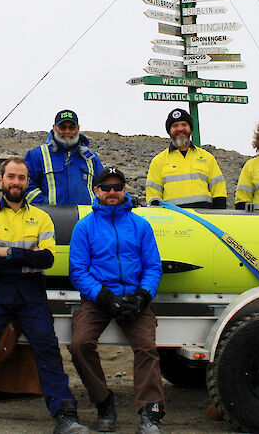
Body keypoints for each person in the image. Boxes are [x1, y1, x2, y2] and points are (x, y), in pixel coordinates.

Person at [0, 157, 88, 434]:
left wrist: (6, 252)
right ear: (1, 180)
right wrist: (25, 255)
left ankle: (65, 416)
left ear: (27, 182)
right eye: (11, 176)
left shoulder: (42, 218)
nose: (16, 182)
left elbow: (46, 259)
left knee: (47, 348)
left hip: (30, 292)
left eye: (21, 178)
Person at [69, 166, 164, 433]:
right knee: (79, 344)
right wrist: (105, 298)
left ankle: (150, 414)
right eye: (106, 187)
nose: (112, 192)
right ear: (96, 191)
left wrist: (144, 296)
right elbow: (78, 270)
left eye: (117, 187)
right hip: (99, 298)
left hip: (135, 296)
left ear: (125, 190)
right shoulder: (84, 226)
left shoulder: (141, 225)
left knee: (146, 348)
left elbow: (153, 266)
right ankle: (104, 402)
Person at [145, 108, 226, 208]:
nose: (180, 129)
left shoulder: (208, 158)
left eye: (184, 125)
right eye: (175, 126)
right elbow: (153, 197)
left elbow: (219, 190)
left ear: (191, 129)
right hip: (174, 220)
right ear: (169, 131)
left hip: (204, 219)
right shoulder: (158, 161)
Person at [24, 109, 103, 205]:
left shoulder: (91, 158)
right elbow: (26, 185)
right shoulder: (37, 155)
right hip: (48, 217)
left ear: (78, 129)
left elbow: (103, 187)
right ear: (54, 128)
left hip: (85, 218)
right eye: (62, 127)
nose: (67, 131)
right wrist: (45, 204)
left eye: (71, 127)